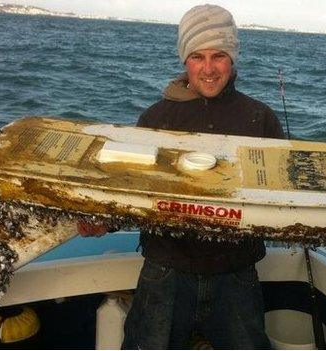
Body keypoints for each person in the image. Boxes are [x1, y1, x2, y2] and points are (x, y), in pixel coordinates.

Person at [80, 4, 285, 349]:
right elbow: (134, 189)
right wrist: (104, 221)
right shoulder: (155, 118)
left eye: (218, 55)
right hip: (166, 271)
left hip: (236, 275)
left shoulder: (260, 120)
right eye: (197, 57)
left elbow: (280, 197)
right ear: (184, 59)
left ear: (232, 58)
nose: (208, 69)